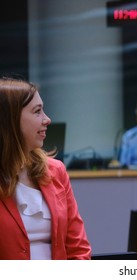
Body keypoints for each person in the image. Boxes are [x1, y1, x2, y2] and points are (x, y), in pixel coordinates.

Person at [0, 77, 91, 260]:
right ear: (10, 120)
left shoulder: (56, 171)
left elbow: (78, 248)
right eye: (37, 112)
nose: (47, 119)